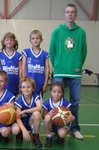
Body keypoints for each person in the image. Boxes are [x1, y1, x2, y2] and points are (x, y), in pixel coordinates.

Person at [49, 3, 87, 139]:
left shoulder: (81, 32)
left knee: (75, 102)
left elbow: (83, 51)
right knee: (56, 100)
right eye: (67, 12)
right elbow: (52, 51)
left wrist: (77, 64)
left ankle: (74, 128)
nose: (70, 14)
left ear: (75, 15)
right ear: (64, 14)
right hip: (60, 71)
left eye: (72, 12)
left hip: (75, 71)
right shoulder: (57, 31)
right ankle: (55, 127)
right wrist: (57, 65)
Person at [11, 77, 43, 148]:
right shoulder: (19, 100)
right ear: (20, 89)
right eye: (23, 87)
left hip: (30, 121)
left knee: (37, 114)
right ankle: (20, 133)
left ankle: (35, 136)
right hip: (22, 122)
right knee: (15, 130)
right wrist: (24, 130)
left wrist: (25, 111)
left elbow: (39, 107)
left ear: (33, 88)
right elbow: (17, 117)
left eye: (28, 87)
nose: (26, 89)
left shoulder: (35, 96)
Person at [42, 81, 75, 148]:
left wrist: (71, 118)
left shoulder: (65, 103)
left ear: (62, 93)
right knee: (47, 117)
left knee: (62, 134)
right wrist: (48, 114)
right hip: (51, 125)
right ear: (50, 92)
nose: (56, 94)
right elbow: (43, 116)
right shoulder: (47, 103)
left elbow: (72, 116)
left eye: (59, 92)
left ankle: (61, 137)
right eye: (54, 92)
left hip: (61, 125)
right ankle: (49, 137)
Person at [21, 30, 50, 100]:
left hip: (40, 83)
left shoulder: (45, 54)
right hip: (28, 82)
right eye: (33, 38)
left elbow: (47, 69)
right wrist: (23, 79)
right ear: (30, 40)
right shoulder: (26, 52)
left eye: (37, 38)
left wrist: (46, 83)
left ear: (41, 40)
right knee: (27, 100)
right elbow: (23, 67)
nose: (35, 40)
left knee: (38, 102)